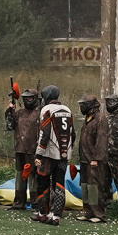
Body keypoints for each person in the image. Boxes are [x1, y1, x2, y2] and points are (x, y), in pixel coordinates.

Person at [32, 85, 72, 224]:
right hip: (64, 154)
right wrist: (68, 151)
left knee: (43, 182)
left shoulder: (46, 110)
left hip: (48, 154)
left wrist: (38, 154)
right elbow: (73, 133)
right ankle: (56, 216)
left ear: (47, 97)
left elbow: (45, 133)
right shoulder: (67, 110)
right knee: (59, 183)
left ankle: (43, 213)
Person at [4, 81, 39, 213]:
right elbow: (9, 126)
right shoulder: (19, 113)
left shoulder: (40, 112)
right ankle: (19, 202)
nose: (27, 101)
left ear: (36, 99)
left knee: (34, 178)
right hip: (20, 149)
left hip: (34, 150)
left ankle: (37, 203)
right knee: (20, 178)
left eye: (30, 98)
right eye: (25, 99)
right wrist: (10, 111)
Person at [74, 93, 108, 222]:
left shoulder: (100, 119)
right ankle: (88, 212)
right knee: (85, 186)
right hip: (85, 159)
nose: (82, 107)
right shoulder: (88, 118)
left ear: (91, 105)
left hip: (94, 161)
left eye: (83, 105)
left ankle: (98, 214)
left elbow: (101, 140)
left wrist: (96, 159)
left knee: (95, 187)